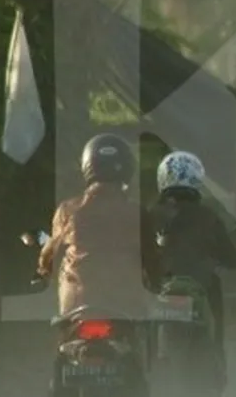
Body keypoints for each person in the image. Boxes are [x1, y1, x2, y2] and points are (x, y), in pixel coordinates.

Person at [36, 133, 160, 383]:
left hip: (76, 307)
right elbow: (153, 261)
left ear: (86, 166)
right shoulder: (137, 213)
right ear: (126, 167)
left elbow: (49, 256)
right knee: (137, 366)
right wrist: (157, 283)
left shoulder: (68, 210)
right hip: (125, 307)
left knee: (61, 358)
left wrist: (42, 273)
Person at [148, 150, 236, 388]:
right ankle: (217, 366)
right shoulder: (209, 215)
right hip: (201, 288)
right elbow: (229, 255)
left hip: (159, 289)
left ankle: (147, 363)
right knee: (215, 329)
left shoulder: (151, 214)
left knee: (142, 329)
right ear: (197, 179)